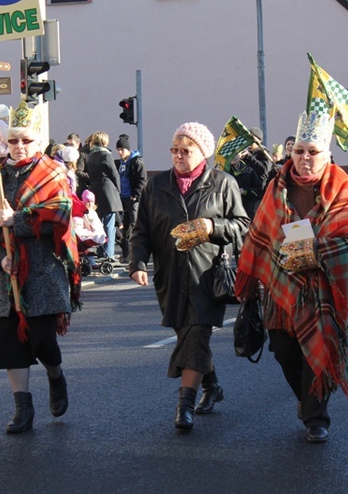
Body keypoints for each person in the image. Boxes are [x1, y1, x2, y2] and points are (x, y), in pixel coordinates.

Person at [235, 111, 348, 443]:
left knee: (319, 348)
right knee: (283, 349)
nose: (305, 158)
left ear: (326, 154)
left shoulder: (342, 186)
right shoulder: (276, 187)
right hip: (282, 286)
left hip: (323, 289)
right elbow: (259, 236)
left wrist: (317, 250)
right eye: (299, 151)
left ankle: (316, 417)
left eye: (313, 152)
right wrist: (250, 285)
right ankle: (304, 399)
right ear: (291, 153)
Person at [129, 122, 250, 431]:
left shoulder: (223, 183)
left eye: (186, 150)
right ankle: (212, 386)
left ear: (203, 152)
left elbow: (242, 226)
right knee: (187, 334)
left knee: (196, 333)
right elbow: (141, 231)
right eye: (175, 150)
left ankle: (184, 405)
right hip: (169, 276)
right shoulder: (155, 187)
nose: (179, 156)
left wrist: (213, 228)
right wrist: (138, 264)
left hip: (207, 276)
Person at [0, 101, 81, 434]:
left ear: (39, 142)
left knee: (42, 339)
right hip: (4, 274)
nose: (19, 147)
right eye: (14, 140)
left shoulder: (52, 172)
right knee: (9, 344)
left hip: (41, 269)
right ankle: (22, 408)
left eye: (26, 141)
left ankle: (55, 375)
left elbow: (58, 217)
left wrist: (17, 220)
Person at [86, 131, 123, 260]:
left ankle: (101, 251)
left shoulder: (90, 156)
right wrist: (118, 189)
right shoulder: (106, 155)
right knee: (109, 224)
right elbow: (114, 173)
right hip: (108, 191)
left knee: (98, 223)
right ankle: (109, 253)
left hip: (95, 190)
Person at [115, 134, 147, 262]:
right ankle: (127, 253)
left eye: (122, 150)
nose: (120, 152)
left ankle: (137, 254)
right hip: (121, 198)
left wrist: (136, 195)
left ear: (128, 149)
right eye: (118, 150)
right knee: (124, 227)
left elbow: (142, 180)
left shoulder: (136, 162)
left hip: (132, 199)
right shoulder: (120, 163)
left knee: (135, 225)